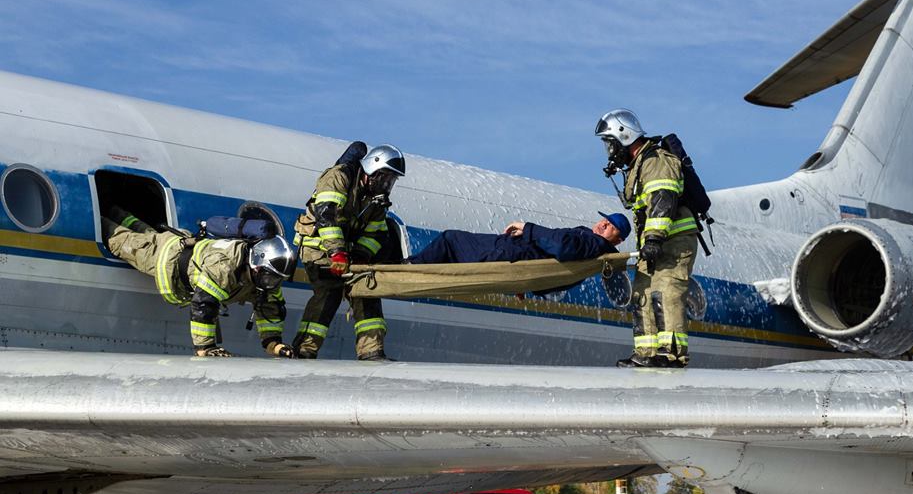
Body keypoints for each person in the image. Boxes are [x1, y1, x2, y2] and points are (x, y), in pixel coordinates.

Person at [102, 208, 297, 358]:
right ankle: (102, 215)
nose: (272, 283)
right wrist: (206, 348)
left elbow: (271, 310)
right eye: (271, 277)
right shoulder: (225, 267)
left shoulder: (264, 281)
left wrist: (275, 345)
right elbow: (203, 304)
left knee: (142, 231)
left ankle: (114, 210)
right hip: (165, 256)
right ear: (257, 264)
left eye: (277, 278)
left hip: (179, 243)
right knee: (120, 240)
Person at [595, 108, 698, 368]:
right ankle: (647, 353)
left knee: (667, 293)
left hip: (673, 242)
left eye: (610, 143)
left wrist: (653, 239)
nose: (609, 150)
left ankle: (671, 355)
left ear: (624, 136)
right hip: (654, 244)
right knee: (642, 294)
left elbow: (662, 200)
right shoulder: (639, 166)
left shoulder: (656, 161)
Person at [292, 143, 405, 361]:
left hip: (348, 252)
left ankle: (371, 351)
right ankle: (305, 349)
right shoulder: (339, 177)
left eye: (392, 181)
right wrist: (337, 253)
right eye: (385, 178)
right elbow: (327, 215)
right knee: (329, 292)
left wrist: (362, 256)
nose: (388, 185)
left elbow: (376, 231)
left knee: (367, 291)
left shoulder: (377, 200)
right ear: (372, 169)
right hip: (319, 248)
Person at [408, 213, 628, 265]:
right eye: (605, 221)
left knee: (450, 240)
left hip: (508, 252)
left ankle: (408, 269)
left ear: (617, 242)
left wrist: (527, 227)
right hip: (513, 251)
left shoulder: (594, 243)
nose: (603, 224)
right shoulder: (590, 241)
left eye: (611, 228)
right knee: (453, 244)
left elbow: (561, 246)